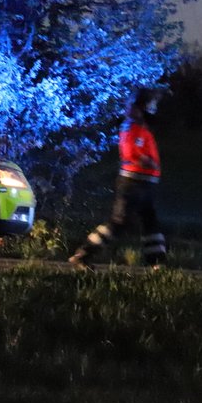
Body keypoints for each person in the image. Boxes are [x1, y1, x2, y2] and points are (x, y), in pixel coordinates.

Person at [69, 88, 168, 270]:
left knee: (150, 223)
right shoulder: (131, 128)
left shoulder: (141, 128)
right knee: (119, 222)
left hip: (145, 183)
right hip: (133, 183)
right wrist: (146, 161)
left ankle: (157, 263)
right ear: (140, 108)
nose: (152, 110)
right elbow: (130, 152)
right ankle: (83, 255)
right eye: (149, 106)